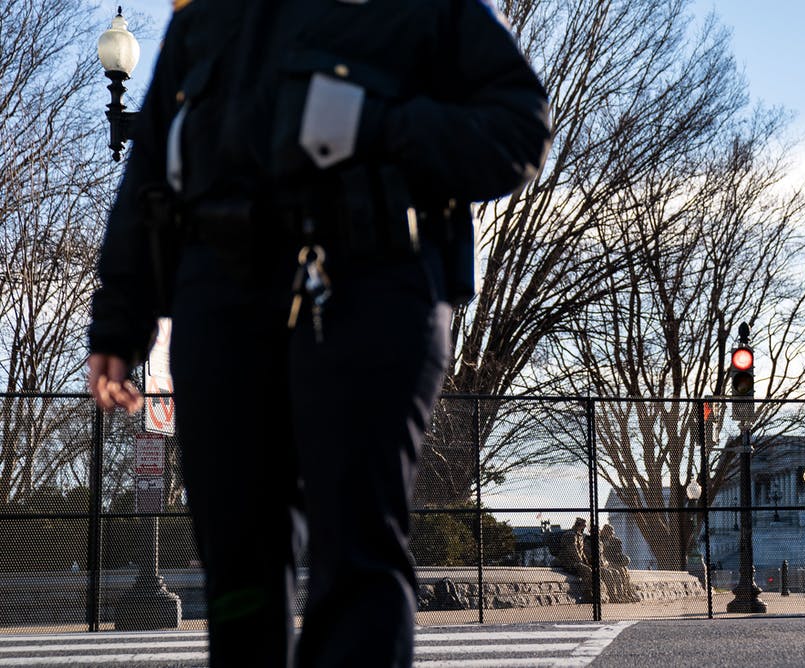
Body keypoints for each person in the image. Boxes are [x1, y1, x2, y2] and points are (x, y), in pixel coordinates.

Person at [86, 2, 551, 666]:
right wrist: (118, 321)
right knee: (238, 566)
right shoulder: (206, 19)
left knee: (357, 554)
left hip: (370, 286)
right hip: (221, 300)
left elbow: (518, 133)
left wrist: (377, 125)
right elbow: (149, 174)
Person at [599, 524, 639, 603]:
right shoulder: (601, 540)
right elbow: (605, 554)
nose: (611, 535)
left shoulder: (614, 540)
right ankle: (620, 595)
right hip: (606, 562)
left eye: (611, 533)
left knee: (625, 571)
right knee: (619, 570)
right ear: (604, 531)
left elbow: (618, 554)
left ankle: (626, 593)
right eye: (609, 533)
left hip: (612, 562)